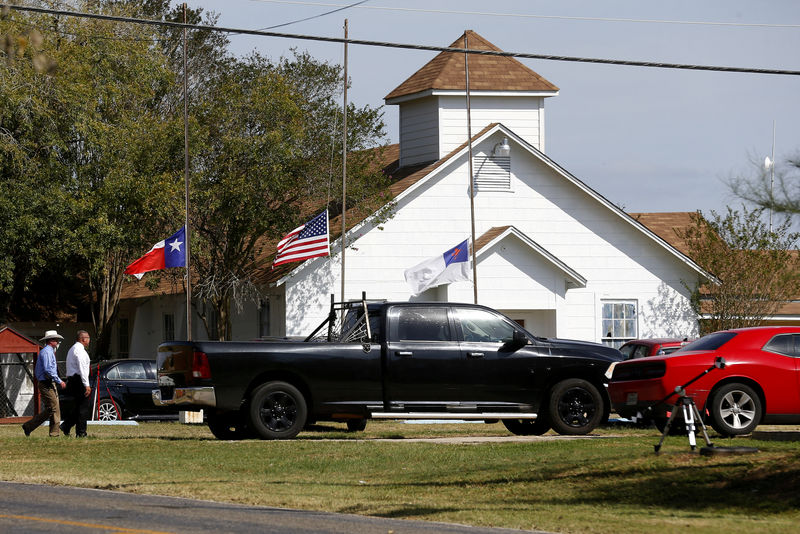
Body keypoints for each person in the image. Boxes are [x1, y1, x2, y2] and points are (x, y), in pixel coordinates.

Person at [22, 330, 66, 437]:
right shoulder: (47, 352)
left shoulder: (49, 351)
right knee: (54, 408)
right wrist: (59, 381)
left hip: (48, 383)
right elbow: (48, 370)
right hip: (46, 383)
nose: (57, 341)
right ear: (51, 341)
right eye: (56, 339)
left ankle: (29, 426)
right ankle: (54, 433)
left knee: (50, 409)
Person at [61, 330, 92, 437]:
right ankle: (81, 432)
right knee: (83, 407)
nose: (89, 340)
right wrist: (86, 384)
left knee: (79, 407)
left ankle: (66, 425)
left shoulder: (72, 349)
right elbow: (82, 368)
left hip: (73, 380)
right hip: (78, 380)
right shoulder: (80, 351)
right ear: (83, 339)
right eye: (88, 338)